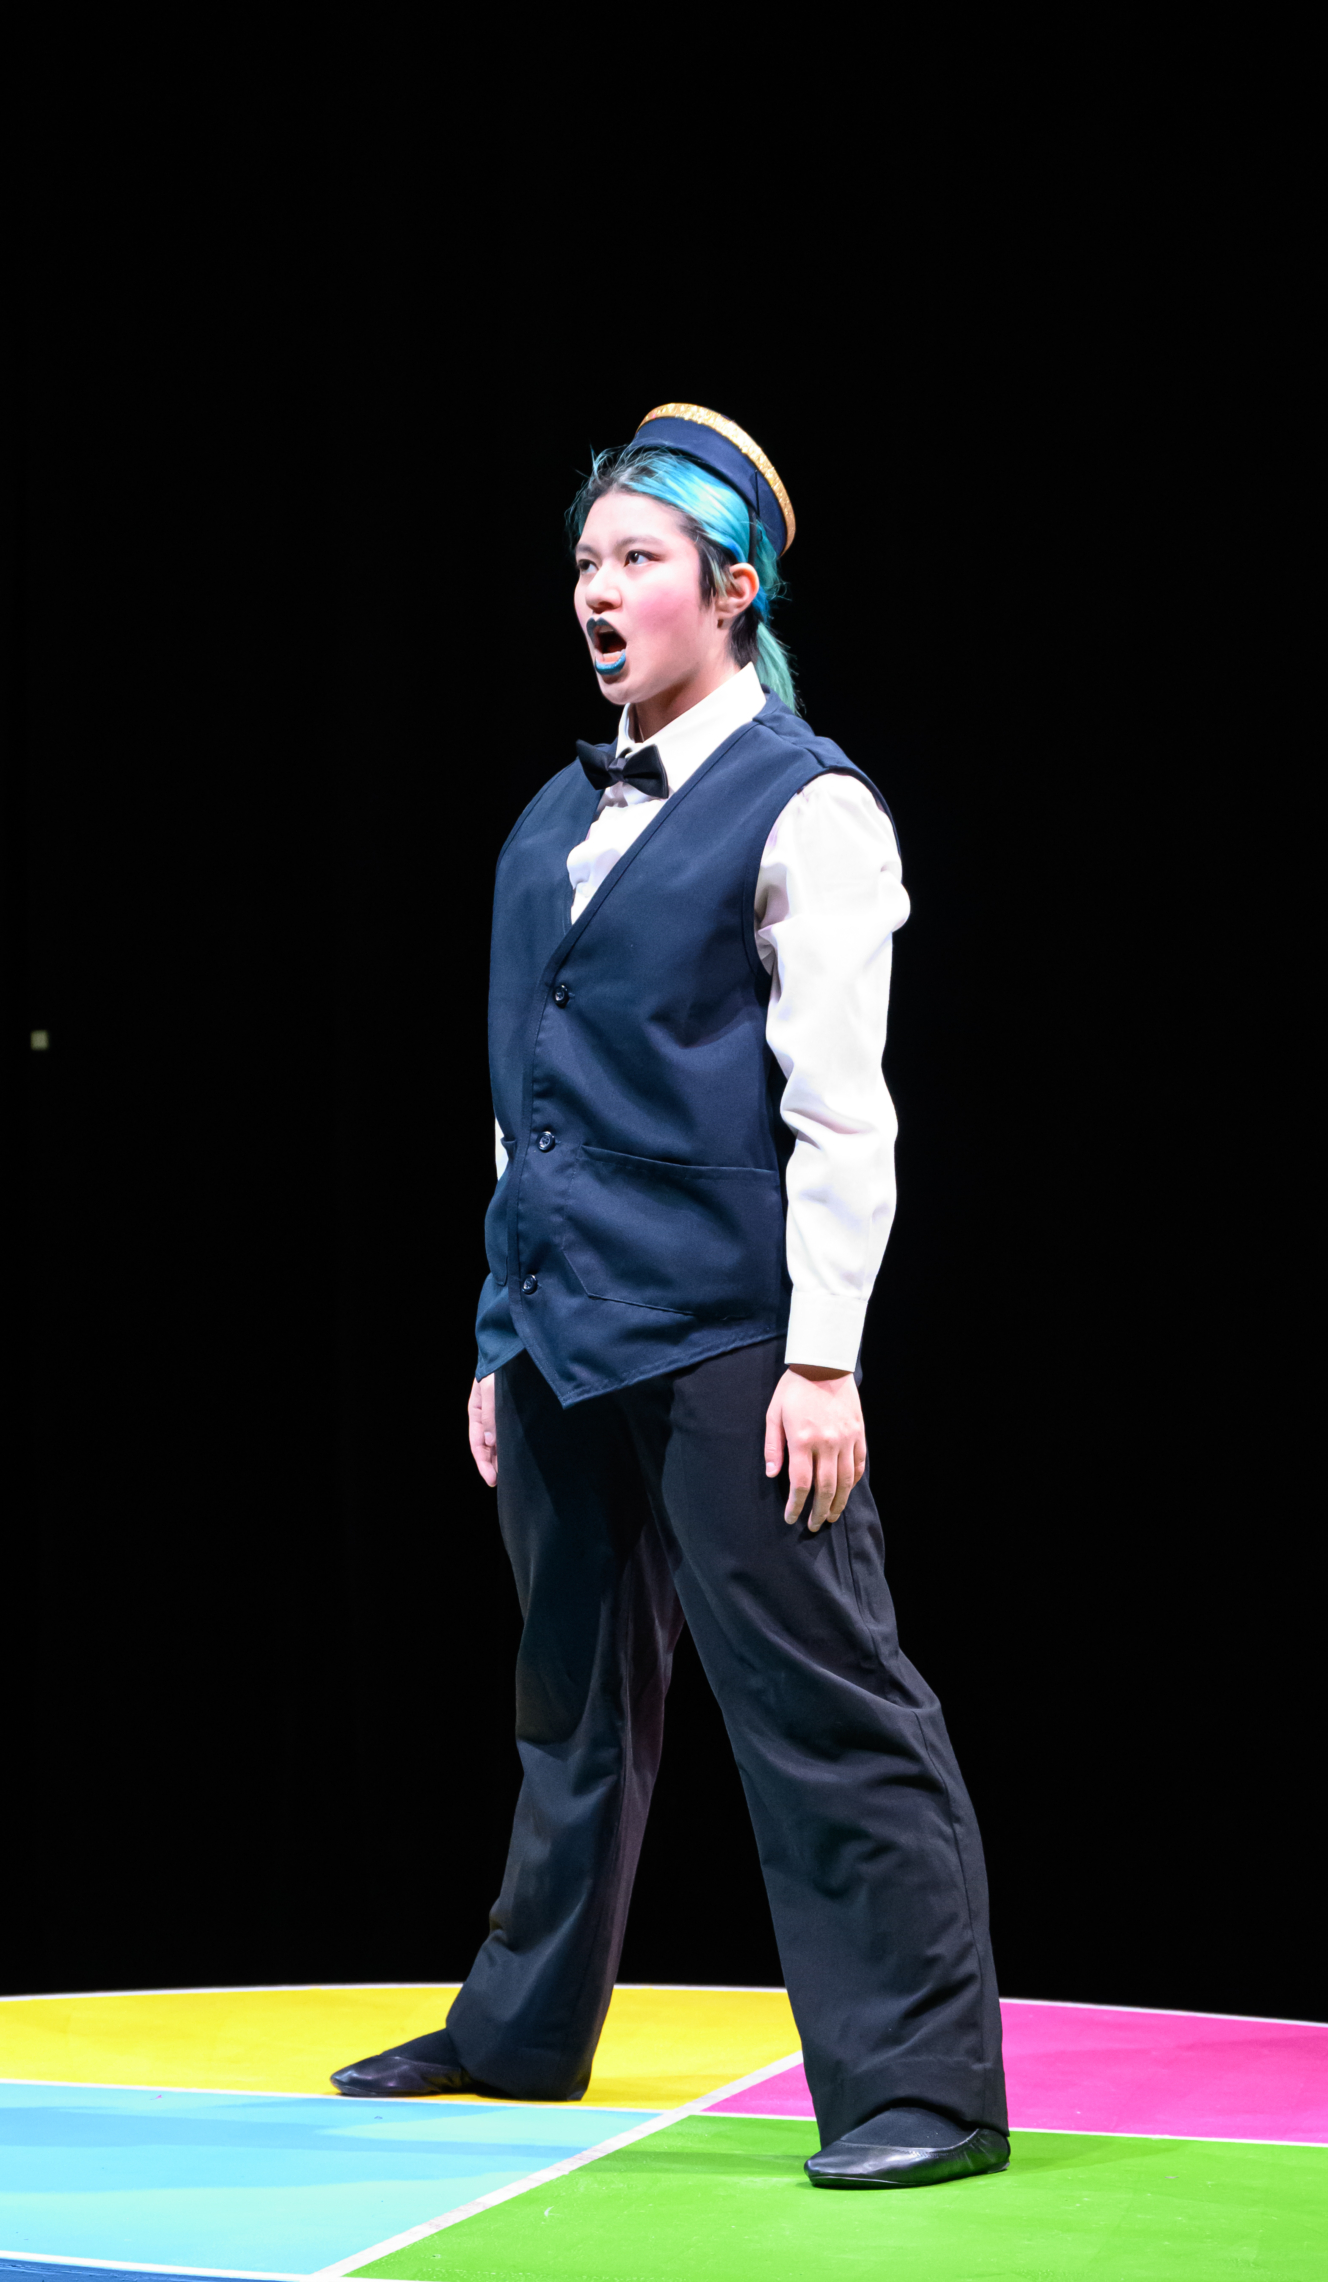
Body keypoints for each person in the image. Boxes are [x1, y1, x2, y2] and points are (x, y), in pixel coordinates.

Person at [333, 406, 1008, 2189]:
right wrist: (498, 1332)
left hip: (728, 1331)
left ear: (733, 585)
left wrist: (823, 1361)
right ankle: (522, 2029)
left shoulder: (811, 806)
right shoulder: (553, 814)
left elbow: (840, 1107)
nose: (598, 592)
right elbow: (516, 1107)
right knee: (567, 1700)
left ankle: (920, 2090)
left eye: (637, 560)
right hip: (562, 1323)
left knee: (820, 1699)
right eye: (584, 562)